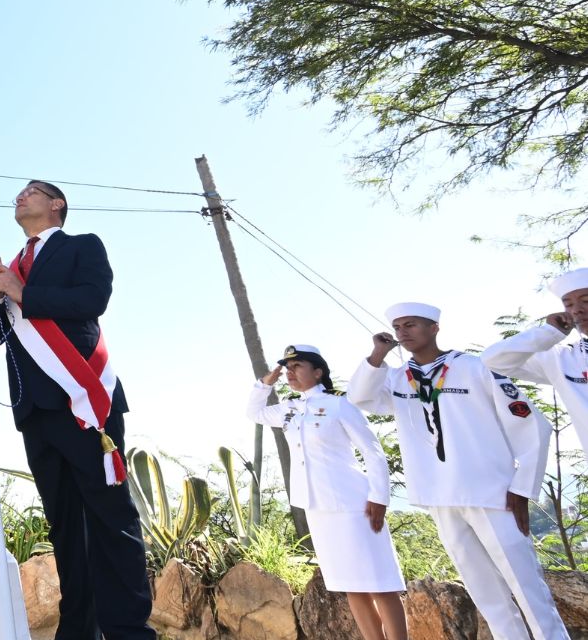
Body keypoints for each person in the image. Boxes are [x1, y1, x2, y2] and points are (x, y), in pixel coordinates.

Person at [0, 180, 154, 640]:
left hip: (83, 399)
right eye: (19, 192)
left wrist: (21, 292)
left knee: (109, 517)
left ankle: (129, 630)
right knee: (65, 527)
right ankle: (78, 630)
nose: (20, 196)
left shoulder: (82, 246)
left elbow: (92, 301)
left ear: (57, 205)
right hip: (34, 409)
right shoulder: (12, 265)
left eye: (32, 191)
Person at [349, 303, 566, 640]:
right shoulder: (396, 379)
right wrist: (378, 353)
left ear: (434, 327)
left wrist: (523, 486)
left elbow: (532, 425)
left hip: (492, 494)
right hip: (439, 498)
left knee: (526, 587)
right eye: (397, 326)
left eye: (412, 324)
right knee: (486, 594)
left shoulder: (477, 367)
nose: (403, 331)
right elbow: (360, 398)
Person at [247, 345, 406, 640]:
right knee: (350, 584)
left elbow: (373, 453)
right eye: (288, 367)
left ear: (318, 371)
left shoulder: (340, 405)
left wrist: (379, 497)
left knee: (379, 583)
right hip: (317, 507)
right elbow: (254, 412)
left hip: (353, 504)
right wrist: (267, 381)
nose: (291, 372)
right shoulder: (291, 408)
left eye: (298, 366)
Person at [482, 267, 588, 454]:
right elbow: (493, 360)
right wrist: (548, 333)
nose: (577, 310)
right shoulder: (562, 359)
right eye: (568, 305)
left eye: (586, 301)